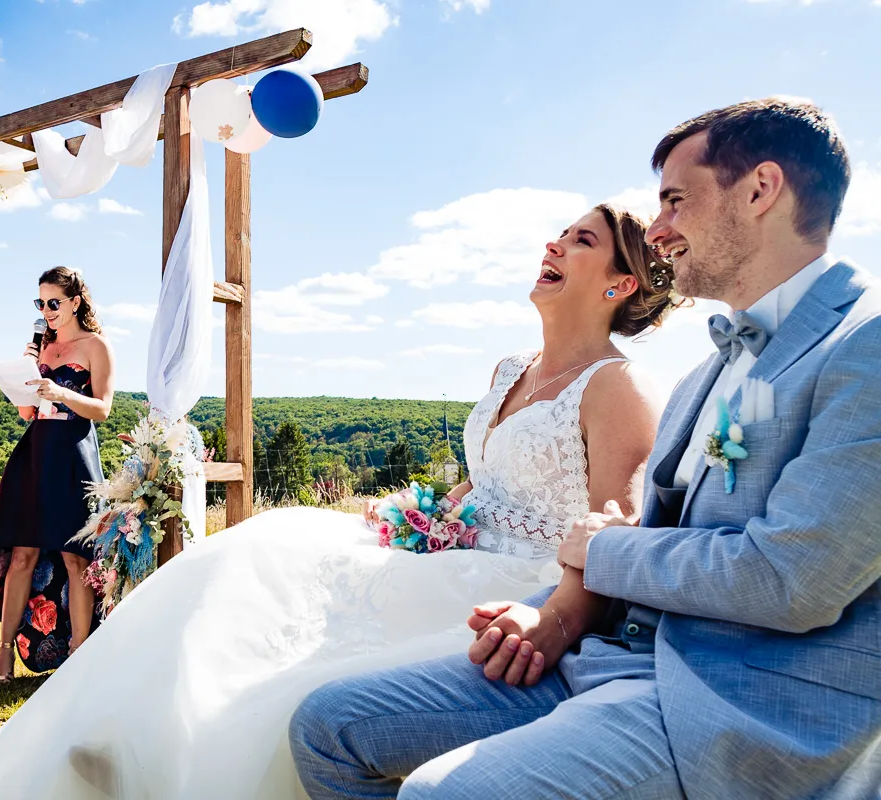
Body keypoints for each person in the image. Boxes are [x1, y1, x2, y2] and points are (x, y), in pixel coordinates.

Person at [0, 203, 680, 799]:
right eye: (558, 232)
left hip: (520, 588)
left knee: (312, 669)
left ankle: (184, 761)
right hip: (453, 549)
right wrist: (417, 509)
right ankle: (137, 743)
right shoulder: (510, 366)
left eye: (580, 241)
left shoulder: (619, 386)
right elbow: (483, 483)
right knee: (259, 550)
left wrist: (552, 623)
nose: (553, 244)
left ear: (620, 284)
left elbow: (615, 530)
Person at [290, 98, 881, 800]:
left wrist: (601, 549)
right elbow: (656, 534)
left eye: (674, 202)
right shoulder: (710, 371)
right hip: (614, 654)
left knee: (441, 794)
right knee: (328, 728)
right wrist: (554, 615)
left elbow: (793, 580)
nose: (658, 231)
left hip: (732, 704)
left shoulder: (863, 346)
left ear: (760, 190)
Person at [0, 267, 113, 680]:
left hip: (73, 454)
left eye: (53, 303)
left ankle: (80, 653)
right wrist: (25, 378)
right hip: (35, 454)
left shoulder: (95, 346)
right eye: (40, 304)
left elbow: (103, 409)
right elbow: (26, 412)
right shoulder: (41, 347)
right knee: (22, 556)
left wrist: (62, 392)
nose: (47, 311)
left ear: (75, 302)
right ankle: (4, 655)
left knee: (76, 558)